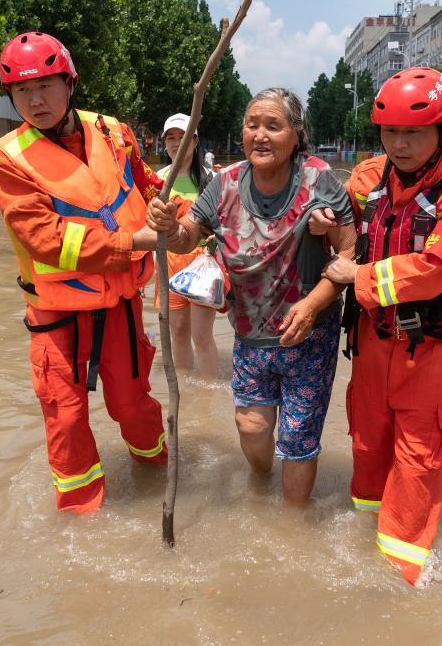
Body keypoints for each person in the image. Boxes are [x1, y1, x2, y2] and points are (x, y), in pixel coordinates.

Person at [315, 67, 442, 584]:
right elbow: (333, 209)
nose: (400, 144)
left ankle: (399, 580)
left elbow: (436, 269)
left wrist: (358, 274)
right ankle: (360, 543)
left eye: (413, 133)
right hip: (371, 344)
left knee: (416, 465)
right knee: (367, 448)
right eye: (390, 132)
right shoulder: (371, 176)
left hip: (429, 353)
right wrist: (326, 223)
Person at [0, 31, 169, 513]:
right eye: (23, 91)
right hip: (56, 316)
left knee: (135, 406)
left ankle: (157, 474)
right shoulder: (8, 158)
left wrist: (176, 217)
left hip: (121, 305)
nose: (35, 99)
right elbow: (44, 238)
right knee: (65, 421)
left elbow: (145, 190)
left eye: (46, 85)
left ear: (70, 83)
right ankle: (82, 521)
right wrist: (133, 242)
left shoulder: (113, 132)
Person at [147, 88, 357, 506]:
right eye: (252, 124)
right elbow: (189, 234)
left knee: (298, 439)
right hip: (249, 334)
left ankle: (292, 527)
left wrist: (314, 304)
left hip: (308, 337)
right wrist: (169, 228)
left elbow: (350, 253)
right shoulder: (224, 183)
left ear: (296, 134)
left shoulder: (319, 180)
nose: (260, 135)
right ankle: (262, 487)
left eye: (273, 126)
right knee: (251, 426)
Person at [156, 113, 218, 378]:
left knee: (202, 336)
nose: (176, 143)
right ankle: (185, 391)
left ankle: (209, 390)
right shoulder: (156, 180)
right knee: (178, 332)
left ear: (195, 142)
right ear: (164, 144)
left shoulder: (211, 179)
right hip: (167, 265)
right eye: (171, 137)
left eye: (183, 137)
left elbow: (224, 221)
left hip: (202, 265)